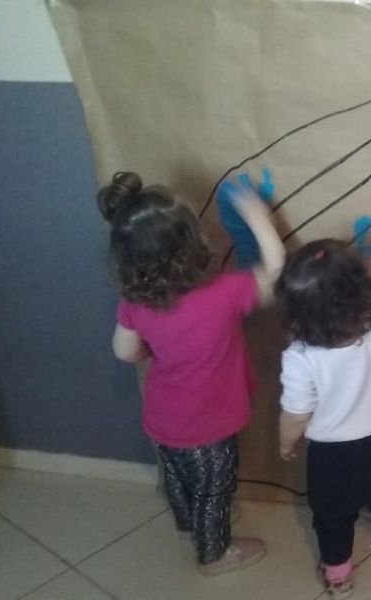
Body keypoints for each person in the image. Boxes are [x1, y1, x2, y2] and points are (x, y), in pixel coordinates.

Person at [101, 171, 284, 574]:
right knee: (215, 489)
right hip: (211, 423)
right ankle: (214, 553)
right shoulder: (224, 292)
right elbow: (275, 273)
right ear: (192, 243)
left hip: (163, 418)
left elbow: (125, 352)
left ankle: (188, 524)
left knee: (178, 478)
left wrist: (157, 347)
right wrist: (258, 218)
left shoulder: (135, 303)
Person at [277, 240, 371, 599]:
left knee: (332, 516)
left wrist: (286, 443)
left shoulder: (300, 356)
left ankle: (339, 576)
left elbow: (296, 414)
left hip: (330, 455)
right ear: (360, 288)